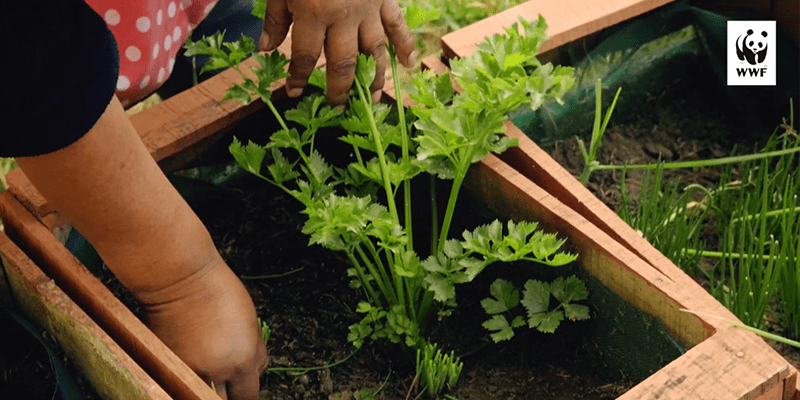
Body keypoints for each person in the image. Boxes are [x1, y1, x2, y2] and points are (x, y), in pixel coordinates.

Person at [2, 1, 414, 399]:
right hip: (40, 48)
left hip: (169, 9)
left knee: (237, 45)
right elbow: (32, 81)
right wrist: (181, 281)